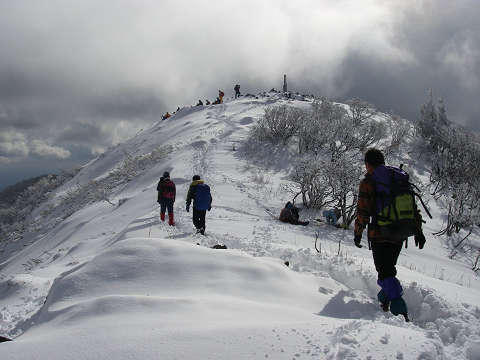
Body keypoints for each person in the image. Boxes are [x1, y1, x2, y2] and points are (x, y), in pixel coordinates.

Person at [354, 148, 426, 321]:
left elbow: (363, 210)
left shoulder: (369, 182)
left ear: (368, 164)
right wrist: (418, 231)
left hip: (380, 234)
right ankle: (383, 300)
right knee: (388, 269)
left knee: (385, 272)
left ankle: (400, 312)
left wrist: (358, 232)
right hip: (399, 234)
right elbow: (412, 207)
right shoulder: (397, 179)